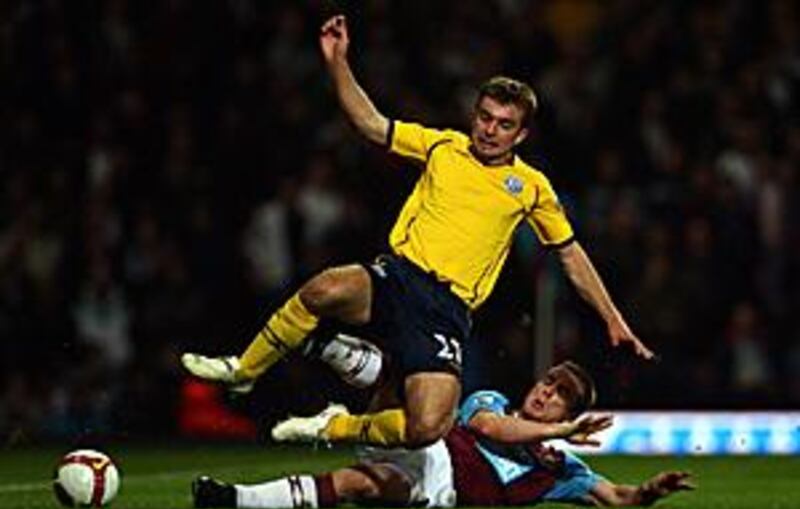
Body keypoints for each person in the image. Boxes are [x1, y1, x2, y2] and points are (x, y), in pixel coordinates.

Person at [181, 14, 654, 449]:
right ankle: (244, 369)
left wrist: (612, 317)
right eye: (485, 117)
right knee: (324, 288)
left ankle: (335, 424)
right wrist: (338, 62)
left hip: (446, 310)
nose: (490, 130)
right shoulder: (443, 146)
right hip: (399, 277)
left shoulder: (532, 187)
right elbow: (370, 123)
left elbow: (570, 256)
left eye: (504, 124)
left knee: (428, 427)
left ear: (522, 135)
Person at [190, 361, 693, 509]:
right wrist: (561, 428)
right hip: (424, 442)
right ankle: (325, 347)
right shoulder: (492, 402)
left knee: (355, 485)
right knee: (404, 376)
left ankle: (229, 498)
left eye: (559, 395)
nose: (545, 393)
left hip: (436, 488)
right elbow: (487, 428)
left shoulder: (561, 471)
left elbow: (618, 497)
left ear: (573, 411)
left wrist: (651, 491)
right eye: (547, 382)